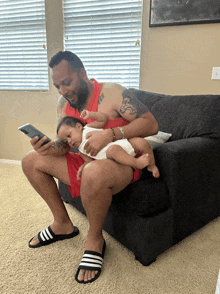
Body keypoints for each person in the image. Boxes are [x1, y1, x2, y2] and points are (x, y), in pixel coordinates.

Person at [21, 51, 159, 284]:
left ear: (83, 74)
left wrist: (111, 134)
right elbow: (64, 146)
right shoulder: (63, 104)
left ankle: (95, 239)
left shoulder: (113, 92)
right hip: (86, 160)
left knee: (93, 171)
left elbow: (152, 124)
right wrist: (47, 149)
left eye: (67, 82)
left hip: (119, 160)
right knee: (30, 159)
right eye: (58, 86)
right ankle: (62, 224)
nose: (63, 91)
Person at [57, 110, 160, 178]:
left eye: (69, 135)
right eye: (66, 141)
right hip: (110, 156)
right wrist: (84, 167)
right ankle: (136, 163)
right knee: (113, 149)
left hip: (120, 143)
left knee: (142, 142)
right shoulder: (81, 149)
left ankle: (152, 165)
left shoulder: (89, 128)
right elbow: (88, 161)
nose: (69, 141)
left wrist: (91, 115)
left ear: (78, 126)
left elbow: (103, 119)